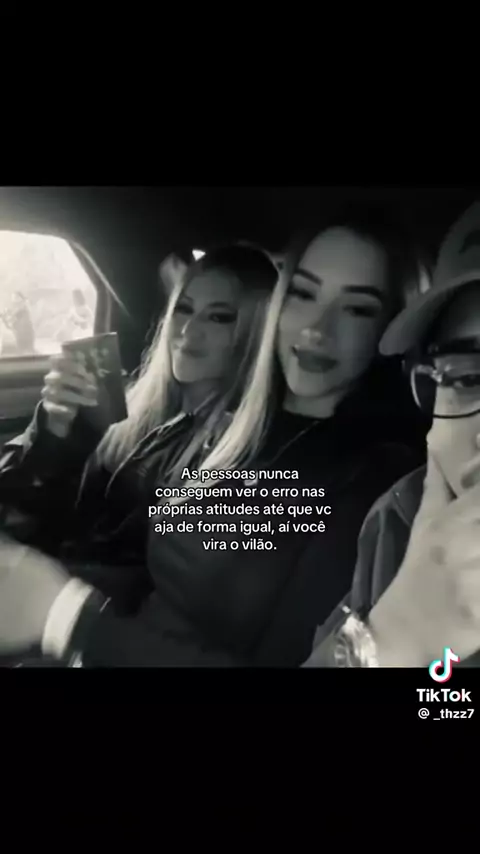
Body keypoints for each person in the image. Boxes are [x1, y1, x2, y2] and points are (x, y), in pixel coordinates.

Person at [0, 206, 429, 667]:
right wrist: (41, 581)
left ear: (392, 327)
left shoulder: (372, 478)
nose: (316, 329)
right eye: (303, 294)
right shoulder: (240, 427)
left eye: (358, 308)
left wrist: (68, 618)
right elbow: (145, 576)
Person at [0, 244, 278, 606]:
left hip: (75, 609)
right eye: (184, 308)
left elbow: (154, 582)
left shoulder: (237, 452)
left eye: (219, 317)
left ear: (255, 333)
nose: (189, 329)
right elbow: (35, 507)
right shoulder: (128, 400)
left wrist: (45, 585)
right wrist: (55, 431)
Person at [304, 200, 480, 668]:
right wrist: (395, 637)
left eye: (357, 308)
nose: (315, 331)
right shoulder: (400, 522)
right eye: (469, 378)